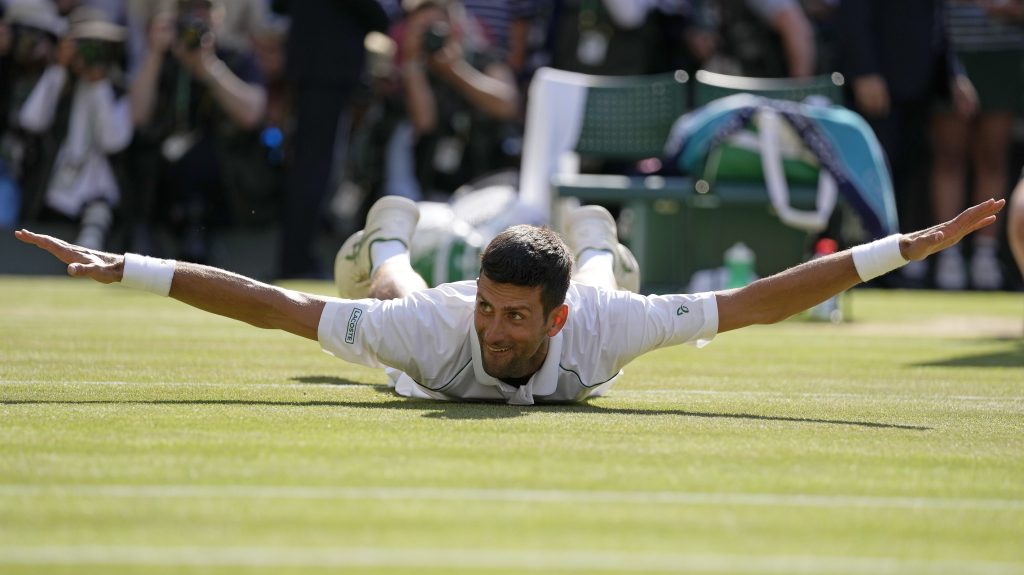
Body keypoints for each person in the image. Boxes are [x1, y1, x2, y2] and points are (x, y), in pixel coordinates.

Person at [14, 195, 1005, 405]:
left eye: (516, 315)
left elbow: (751, 302)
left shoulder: (592, 323)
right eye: (492, 308)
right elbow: (277, 305)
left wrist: (901, 250)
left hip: (596, 313)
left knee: (612, 281)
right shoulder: (449, 322)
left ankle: (593, 240)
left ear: (552, 318)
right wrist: (128, 263)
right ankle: (390, 232)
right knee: (398, 291)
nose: (495, 328)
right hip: (415, 315)